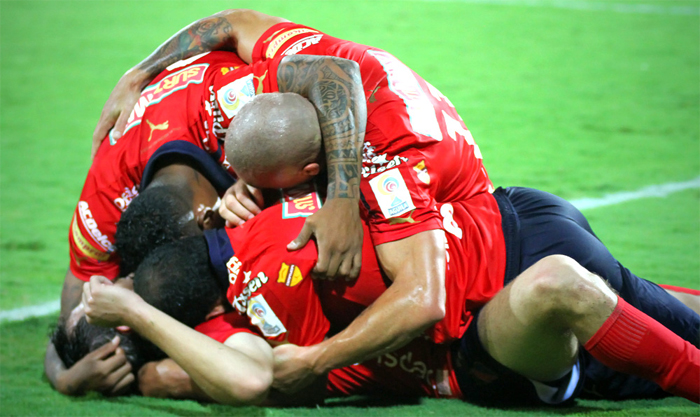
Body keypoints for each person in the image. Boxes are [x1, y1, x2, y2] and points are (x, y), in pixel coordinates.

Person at [84, 188, 696, 404]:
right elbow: (242, 380)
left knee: (612, 294)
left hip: (508, 230)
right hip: (495, 309)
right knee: (564, 285)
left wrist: (134, 315)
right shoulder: (261, 201)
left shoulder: (228, 312)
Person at [48, 48, 369, 395]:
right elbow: (75, 311)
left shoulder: (230, 105)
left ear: (207, 220)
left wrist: (340, 198)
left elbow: (332, 72)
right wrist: (64, 377)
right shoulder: (102, 204)